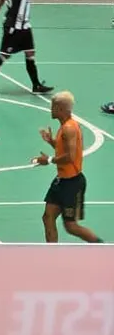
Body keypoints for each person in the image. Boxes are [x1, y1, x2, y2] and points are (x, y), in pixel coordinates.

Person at [33, 91, 102, 243]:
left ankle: (103, 248)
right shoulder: (64, 126)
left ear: (60, 109)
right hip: (61, 180)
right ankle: (52, 255)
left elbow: (70, 157)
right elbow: (64, 148)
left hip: (72, 183)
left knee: (71, 226)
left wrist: (49, 160)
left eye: (53, 107)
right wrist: (51, 141)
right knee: (47, 217)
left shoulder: (70, 128)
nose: (51, 110)